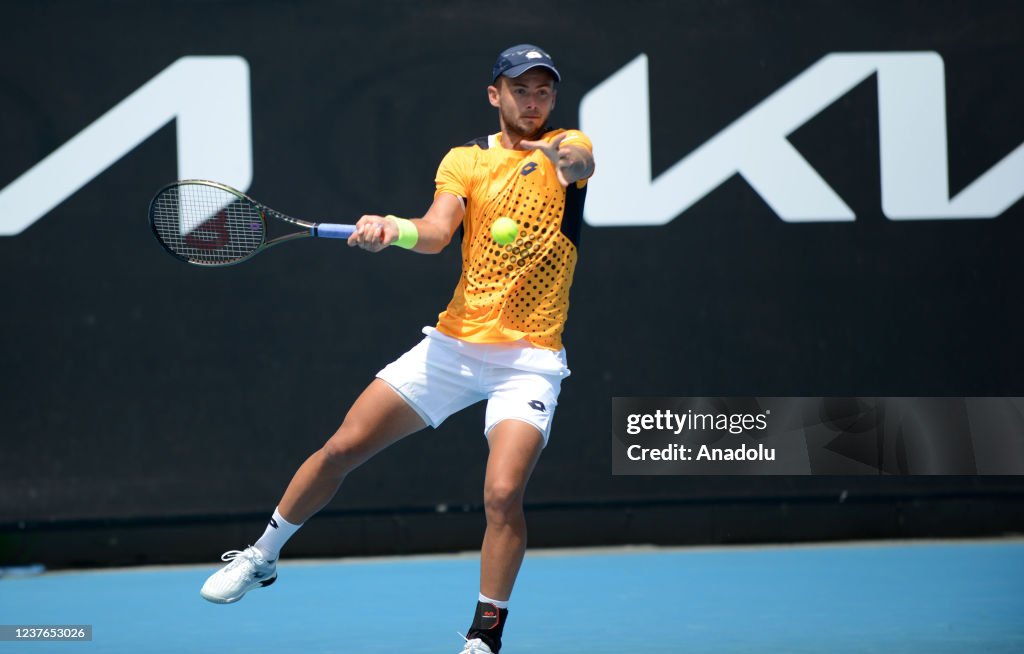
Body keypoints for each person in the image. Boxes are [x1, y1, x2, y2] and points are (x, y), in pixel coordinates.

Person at [199, 43, 595, 654]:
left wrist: (550, 149)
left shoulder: (568, 145)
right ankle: (262, 555)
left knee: (501, 493)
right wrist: (391, 228)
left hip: (530, 359)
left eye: (543, 90)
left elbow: (578, 163)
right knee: (342, 447)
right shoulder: (465, 161)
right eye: (521, 89)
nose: (533, 100)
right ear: (496, 95)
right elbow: (437, 234)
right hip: (454, 347)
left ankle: (484, 636)